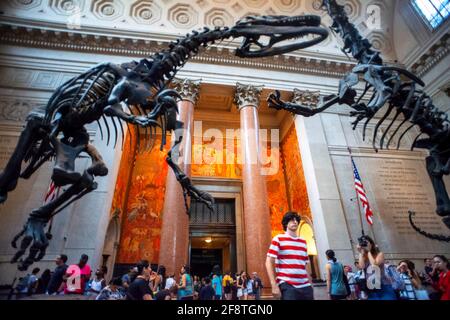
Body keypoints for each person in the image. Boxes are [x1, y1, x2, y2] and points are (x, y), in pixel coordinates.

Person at [266, 211, 314, 300]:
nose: (295, 222)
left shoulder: (303, 241)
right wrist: (274, 285)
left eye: (296, 220)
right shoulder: (278, 239)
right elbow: (269, 261)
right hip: (288, 285)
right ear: (286, 223)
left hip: (305, 286)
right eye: (292, 220)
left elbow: (306, 264)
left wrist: (310, 283)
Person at [357, 235, 396, 300]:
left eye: (366, 243)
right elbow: (361, 266)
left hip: (383, 286)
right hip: (371, 287)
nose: (364, 245)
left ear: (371, 244)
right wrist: (360, 253)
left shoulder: (380, 254)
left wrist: (369, 251)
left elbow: (374, 265)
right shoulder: (364, 256)